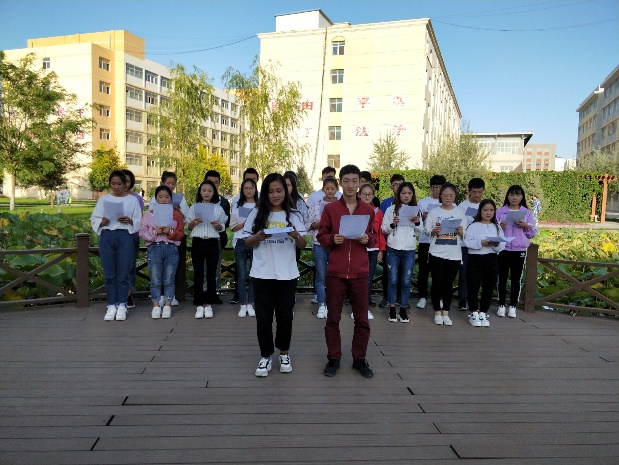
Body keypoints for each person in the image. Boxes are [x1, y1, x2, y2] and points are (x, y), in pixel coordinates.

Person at [242, 173, 307, 377]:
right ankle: (265, 356)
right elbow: (246, 242)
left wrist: (295, 234)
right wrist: (257, 237)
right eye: (271, 191)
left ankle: (284, 353)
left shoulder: (294, 215)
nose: (275, 195)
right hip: (262, 273)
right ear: (265, 193)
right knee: (263, 318)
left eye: (279, 190)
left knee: (285, 317)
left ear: (286, 191)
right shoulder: (256, 214)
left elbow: (303, 243)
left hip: (287, 274)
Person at [318, 164, 376, 379]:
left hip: (360, 271)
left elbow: (375, 237)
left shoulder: (368, 210)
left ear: (360, 182)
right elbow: (321, 236)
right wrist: (332, 239)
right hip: (337, 271)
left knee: (362, 319)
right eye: (346, 181)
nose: (350, 185)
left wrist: (368, 239)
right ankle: (333, 358)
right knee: (333, 318)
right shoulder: (330, 209)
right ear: (340, 182)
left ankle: (359, 359)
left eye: (354, 181)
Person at [90, 170, 142, 321]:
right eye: (113, 184)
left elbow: (139, 219)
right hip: (107, 236)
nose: (116, 187)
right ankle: (112, 304)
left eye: (119, 184)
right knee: (109, 272)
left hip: (125, 235)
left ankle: (123, 305)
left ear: (125, 184)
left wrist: (129, 220)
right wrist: (102, 222)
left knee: (123, 272)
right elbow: (95, 218)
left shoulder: (132, 200)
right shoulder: (104, 199)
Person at [139, 185, 185, 319]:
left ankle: (168, 305)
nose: (164, 199)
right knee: (155, 279)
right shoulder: (149, 215)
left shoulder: (176, 215)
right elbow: (143, 232)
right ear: (156, 199)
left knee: (169, 279)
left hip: (171, 248)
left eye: (167, 197)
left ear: (171, 199)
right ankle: (155, 305)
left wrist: (170, 231)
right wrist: (155, 232)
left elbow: (181, 233)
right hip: (154, 247)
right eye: (160, 197)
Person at [425, 182, 466, 326]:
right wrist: (433, 231)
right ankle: (437, 311)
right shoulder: (434, 212)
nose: (448, 198)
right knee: (437, 283)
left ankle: (446, 312)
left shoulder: (459, 212)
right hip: (436, 252)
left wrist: (460, 232)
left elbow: (465, 234)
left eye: (451, 195)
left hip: (454, 254)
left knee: (449, 284)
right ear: (440, 196)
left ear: (455, 196)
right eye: (445, 195)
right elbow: (426, 231)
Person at [381, 182, 423, 323]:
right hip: (393, 248)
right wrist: (393, 224)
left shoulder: (416, 211)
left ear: (413, 195)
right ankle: (392, 309)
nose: (406, 196)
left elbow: (421, 232)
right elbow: (384, 228)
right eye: (403, 193)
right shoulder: (391, 210)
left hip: (409, 249)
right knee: (392, 279)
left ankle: (403, 309)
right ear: (399, 194)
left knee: (406, 280)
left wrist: (417, 223)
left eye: (409, 193)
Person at [187, 180, 228, 319]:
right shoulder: (194, 208)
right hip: (198, 241)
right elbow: (189, 227)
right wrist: (193, 223)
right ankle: (198, 301)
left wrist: (218, 225)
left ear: (214, 193)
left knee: (211, 272)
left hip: (212, 242)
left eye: (210, 191)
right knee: (198, 272)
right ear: (200, 192)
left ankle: (210, 302)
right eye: (204, 190)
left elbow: (222, 226)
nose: (206, 193)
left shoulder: (218, 209)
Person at [496, 185, 538, 318]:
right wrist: (499, 226)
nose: (514, 197)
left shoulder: (527, 213)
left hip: (519, 249)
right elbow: (491, 229)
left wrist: (526, 226)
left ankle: (513, 306)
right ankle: (501, 305)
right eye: (512, 194)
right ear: (507, 196)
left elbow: (532, 233)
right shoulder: (500, 211)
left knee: (516, 279)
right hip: (503, 249)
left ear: (522, 197)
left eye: (518, 195)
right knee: (501, 278)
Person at [149, 171, 189, 307]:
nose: (171, 186)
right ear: (162, 183)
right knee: (158, 268)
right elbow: (150, 216)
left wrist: (178, 211)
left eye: (173, 183)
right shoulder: (156, 198)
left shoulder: (180, 198)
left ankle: (172, 296)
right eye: (168, 183)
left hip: (174, 237)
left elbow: (186, 218)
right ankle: (160, 296)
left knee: (173, 268)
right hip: (158, 238)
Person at [463, 199, 505, 327]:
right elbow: (467, 242)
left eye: (491, 210)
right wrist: (481, 242)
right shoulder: (473, 226)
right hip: (475, 258)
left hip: (491, 258)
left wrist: (496, 244)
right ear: (480, 211)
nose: (488, 213)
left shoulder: (497, 227)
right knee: (473, 285)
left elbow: (502, 245)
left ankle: (483, 311)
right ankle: (474, 312)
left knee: (489, 285)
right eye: (485, 210)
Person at [306, 177, 339, 319]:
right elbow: (308, 224)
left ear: (336, 190)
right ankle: (321, 304)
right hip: (319, 243)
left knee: (334, 276)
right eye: (327, 188)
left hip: (336, 244)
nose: (330, 191)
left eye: (333, 188)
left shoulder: (341, 205)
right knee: (320, 275)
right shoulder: (315, 205)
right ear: (323, 189)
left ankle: (332, 304)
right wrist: (321, 223)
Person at [230, 167, 260, 305]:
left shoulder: (260, 206)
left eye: (251, 188)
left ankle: (251, 303)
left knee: (254, 274)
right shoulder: (237, 206)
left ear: (255, 189)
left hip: (255, 242)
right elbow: (232, 227)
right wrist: (244, 224)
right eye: (246, 188)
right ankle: (242, 304)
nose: (248, 191)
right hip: (240, 241)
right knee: (241, 275)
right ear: (242, 190)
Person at [416, 174, 446, 309]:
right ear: (430, 188)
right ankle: (422, 296)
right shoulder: (422, 203)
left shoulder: (449, 203)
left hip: (441, 241)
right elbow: (415, 222)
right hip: (425, 241)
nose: (437, 190)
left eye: (440, 187)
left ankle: (437, 297)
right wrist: (423, 217)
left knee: (439, 272)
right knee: (423, 270)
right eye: (435, 187)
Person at [456, 178, 486, 312]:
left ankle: (474, 299)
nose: (477, 195)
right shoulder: (462, 206)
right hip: (464, 244)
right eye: (474, 192)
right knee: (463, 272)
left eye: (480, 192)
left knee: (477, 274)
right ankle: (462, 299)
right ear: (469, 191)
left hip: (480, 245)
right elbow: (457, 223)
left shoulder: (485, 205)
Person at [378, 174, 405, 308]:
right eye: (395, 185)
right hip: (389, 243)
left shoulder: (410, 204)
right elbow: (382, 225)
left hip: (405, 244)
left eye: (401, 184)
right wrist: (382, 246)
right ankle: (386, 297)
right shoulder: (386, 204)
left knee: (402, 272)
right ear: (391, 187)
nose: (398, 187)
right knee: (388, 273)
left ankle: (400, 297)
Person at [358, 183, 385, 315]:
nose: (367, 196)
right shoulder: (355, 210)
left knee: (369, 277)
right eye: (364, 194)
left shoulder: (378, 212)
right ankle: (358, 302)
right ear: (359, 195)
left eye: (369, 194)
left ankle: (365, 303)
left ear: (373, 196)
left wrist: (380, 250)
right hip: (359, 248)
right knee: (359, 277)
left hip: (373, 249)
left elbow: (380, 232)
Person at [204, 170, 230, 304]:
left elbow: (227, 222)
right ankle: (204, 294)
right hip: (203, 239)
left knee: (215, 269)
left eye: (216, 182)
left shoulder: (224, 202)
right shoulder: (199, 201)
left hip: (218, 239)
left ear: (219, 184)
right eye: (210, 182)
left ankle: (214, 293)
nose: (213, 185)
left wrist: (218, 224)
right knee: (204, 269)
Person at [122, 169, 144, 309]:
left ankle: (129, 294)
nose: (125, 184)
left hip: (131, 236)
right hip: (115, 236)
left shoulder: (137, 198)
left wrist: (131, 221)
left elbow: (140, 219)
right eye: (122, 181)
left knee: (129, 266)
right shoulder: (110, 198)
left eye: (127, 181)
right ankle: (118, 295)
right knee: (117, 267)